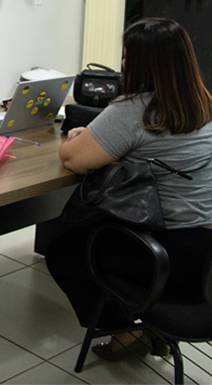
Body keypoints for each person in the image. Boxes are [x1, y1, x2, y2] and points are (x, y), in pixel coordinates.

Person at [47, 18, 212, 362]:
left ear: (140, 63)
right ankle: (145, 327)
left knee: (64, 250)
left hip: (168, 258)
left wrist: (80, 136)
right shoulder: (203, 104)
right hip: (207, 259)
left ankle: (128, 331)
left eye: (126, 56)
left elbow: (73, 160)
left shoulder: (136, 109)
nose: (122, 63)